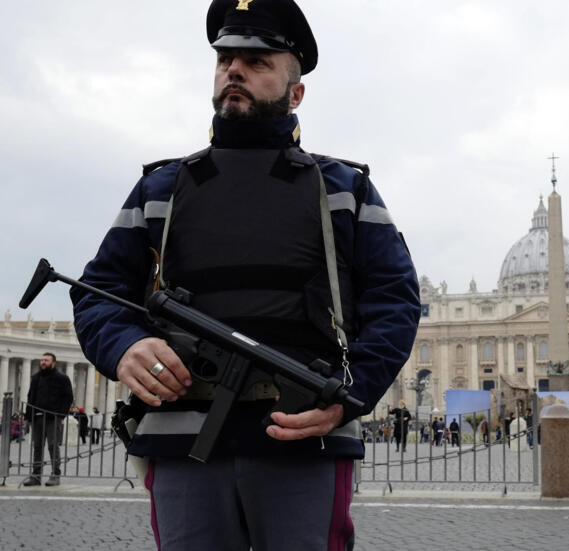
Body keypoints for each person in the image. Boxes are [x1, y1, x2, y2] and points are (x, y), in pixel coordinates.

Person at [69, 1, 421, 548]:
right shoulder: (158, 188)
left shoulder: (345, 189)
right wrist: (122, 347)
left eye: (257, 61)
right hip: (179, 437)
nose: (235, 69)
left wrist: (348, 395)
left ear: (296, 90)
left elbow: (396, 301)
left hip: (305, 436)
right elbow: (102, 292)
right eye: (226, 58)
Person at [25, 352, 73, 487]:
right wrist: (28, 417)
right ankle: (36, 476)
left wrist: (60, 415)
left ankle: (55, 474)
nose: (43, 362)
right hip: (37, 417)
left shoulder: (62, 378)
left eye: (46, 360)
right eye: (42, 360)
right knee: (37, 447)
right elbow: (31, 398)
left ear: (53, 363)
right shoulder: (35, 378)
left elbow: (68, 397)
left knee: (53, 446)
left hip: (53, 418)